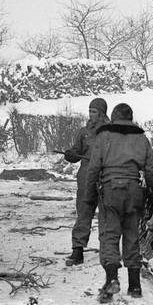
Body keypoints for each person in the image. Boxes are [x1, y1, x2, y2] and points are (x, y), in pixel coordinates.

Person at [83, 102, 153, 302]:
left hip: (110, 190)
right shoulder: (142, 139)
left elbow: (93, 169)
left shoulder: (104, 136)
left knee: (109, 235)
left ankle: (112, 281)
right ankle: (135, 286)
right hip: (134, 191)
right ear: (131, 118)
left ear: (114, 117)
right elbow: (150, 170)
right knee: (132, 235)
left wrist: (89, 196)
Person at [63, 97, 109, 267]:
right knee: (83, 211)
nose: (91, 115)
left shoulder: (111, 132)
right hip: (86, 177)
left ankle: (107, 251)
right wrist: (71, 154)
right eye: (89, 111)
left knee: (106, 214)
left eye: (94, 112)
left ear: (102, 113)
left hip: (105, 175)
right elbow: (77, 151)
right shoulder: (83, 132)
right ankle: (77, 250)